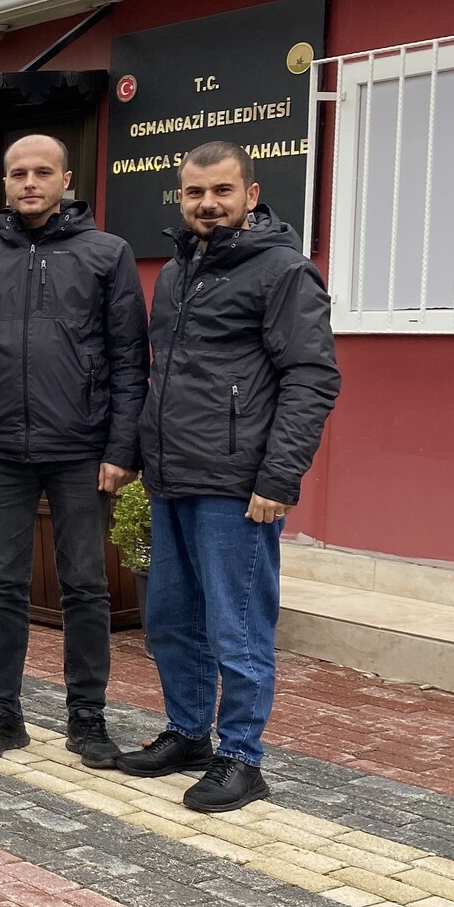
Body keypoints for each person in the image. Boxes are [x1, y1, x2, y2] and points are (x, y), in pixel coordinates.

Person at [115, 141, 340, 813]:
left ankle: (243, 756)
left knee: (237, 625)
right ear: (181, 200)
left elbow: (312, 377)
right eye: (194, 193)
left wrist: (278, 476)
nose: (207, 203)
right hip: (171, 478)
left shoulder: (283, 271)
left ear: (251, 192)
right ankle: (188, 733)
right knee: (170, 618)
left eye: (221, 190)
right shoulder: (181, 271)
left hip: (238, 485)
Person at [0, 134, 148, 769]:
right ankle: (1, 712)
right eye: (17, 173)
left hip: (81, 448)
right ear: (3, 184)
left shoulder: (106, 255)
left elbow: (128, 359)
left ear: (67, 179)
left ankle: (87, 717)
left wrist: (122, 448)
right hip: (1, 447)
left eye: (42, 172)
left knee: (85, 585)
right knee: (1, 583)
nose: (29, 182)